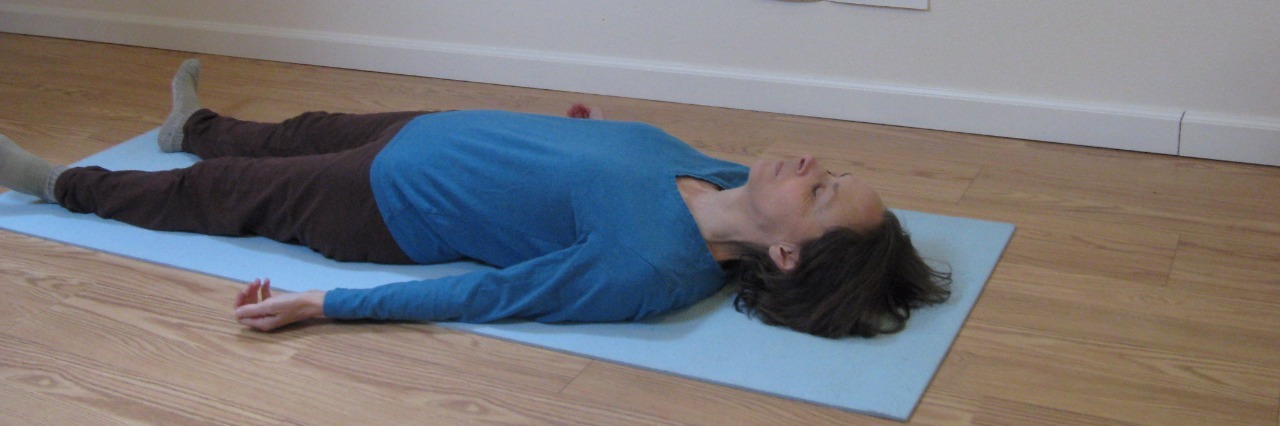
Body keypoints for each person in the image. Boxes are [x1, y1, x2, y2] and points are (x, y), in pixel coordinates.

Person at [0, 60, 951, 338]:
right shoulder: (714, 170)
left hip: (383, 201)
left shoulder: (651, 269)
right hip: (437, 130)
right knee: (300, 125)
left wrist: (330, 305)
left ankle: (61, 184)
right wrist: (588, 132)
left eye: (822, 191)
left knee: (224, 197)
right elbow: (603, 168)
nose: (811, 163)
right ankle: (192, 126)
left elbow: (493, 294)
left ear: (787, 253)